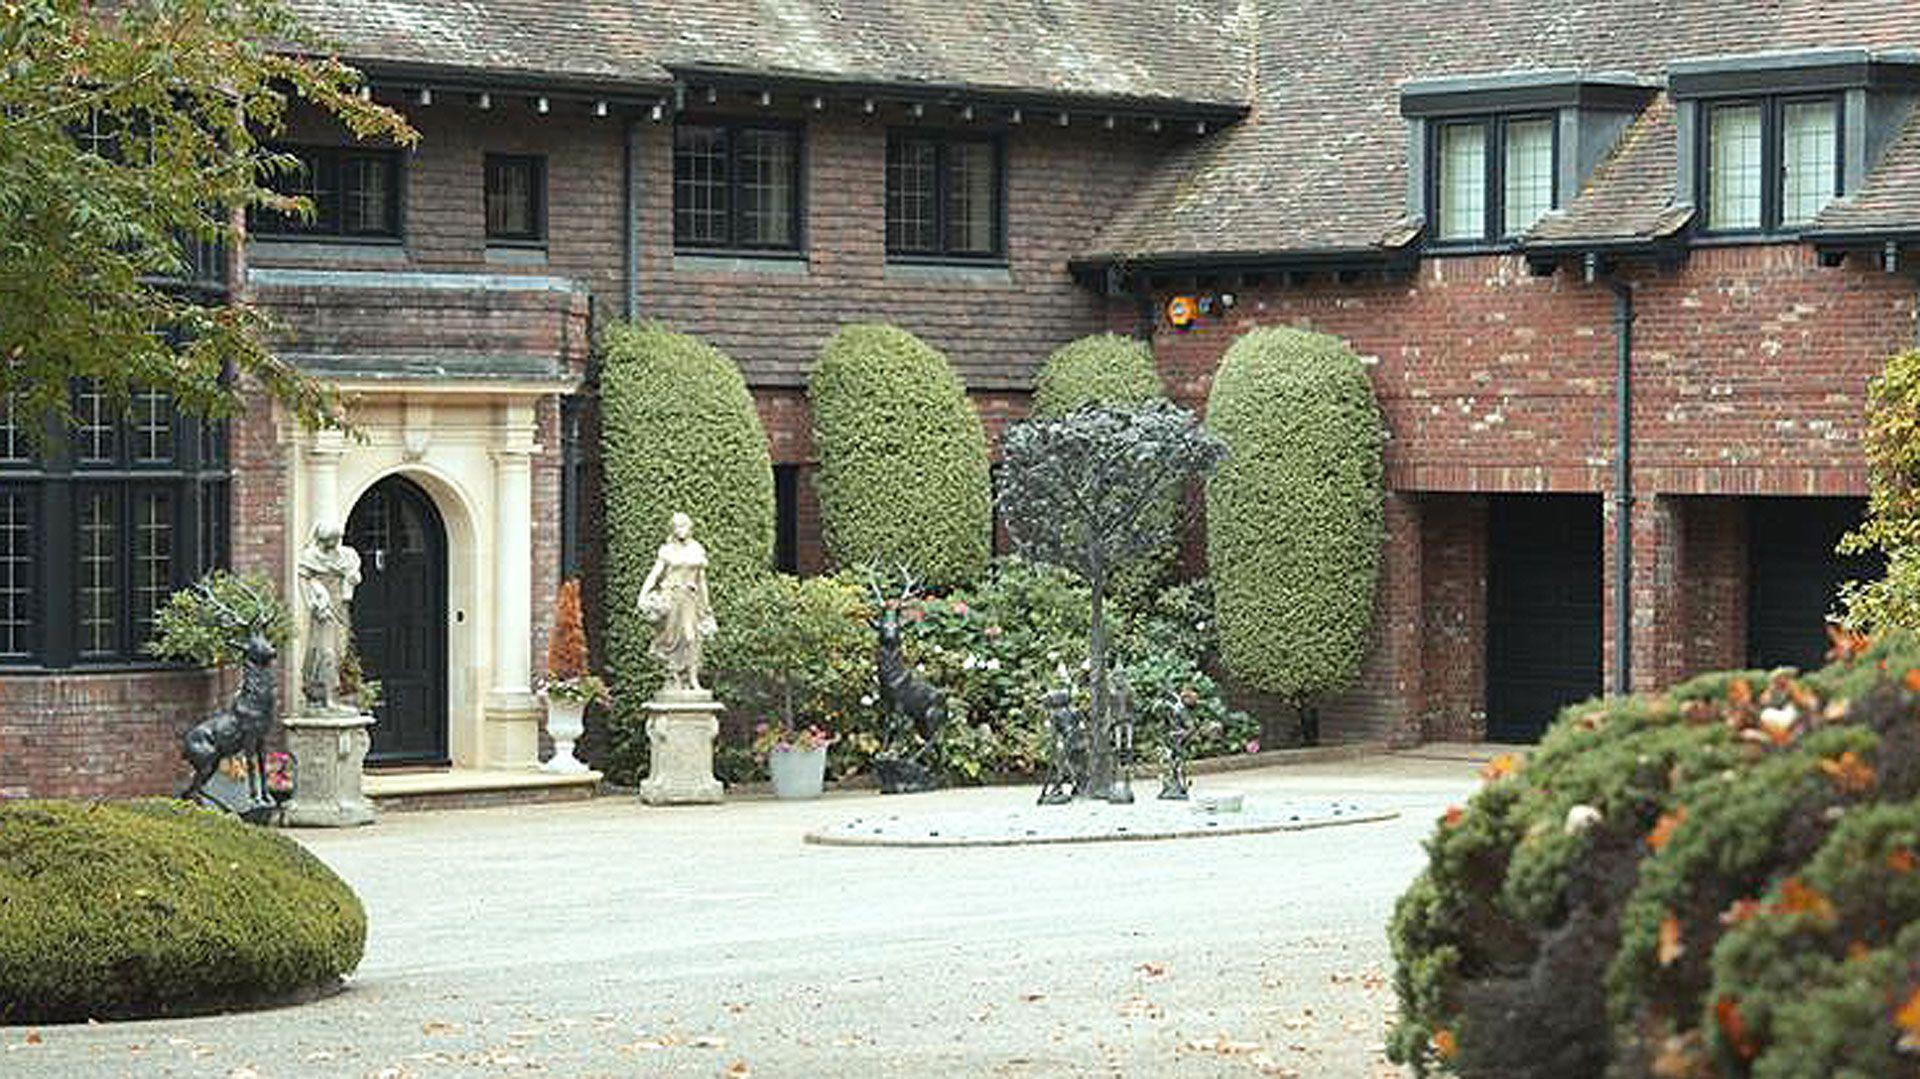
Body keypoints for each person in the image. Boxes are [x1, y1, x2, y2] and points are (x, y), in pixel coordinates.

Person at [637, 512, 716, 692]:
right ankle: (674, 679)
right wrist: (643, 594)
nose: (681, 530)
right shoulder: (667, 550)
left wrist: (706, 606)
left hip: (690, 600)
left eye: (684, 525)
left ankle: (693, 679)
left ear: (690, 528)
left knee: (692, 638)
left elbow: (701, 581)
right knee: (671, 641)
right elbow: (655, 574)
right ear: (673, 529)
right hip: (671, 599)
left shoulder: (697, 549)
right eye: (677, 526)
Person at [297, 523, 363, 714]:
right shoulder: (311, 556)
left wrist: (353, 577)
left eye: (336, 540)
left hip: (340, 607)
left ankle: (328, 697)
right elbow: (304, 581)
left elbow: (355, 575)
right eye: (330, 541)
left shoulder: (347, 555)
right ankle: (328, 700)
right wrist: (313, 602)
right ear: (321, 539)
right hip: (323, 609)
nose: (334, 544)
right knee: (326, 652)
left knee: (340, 650)